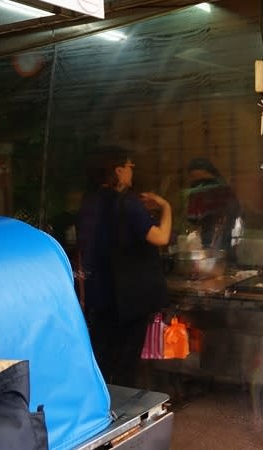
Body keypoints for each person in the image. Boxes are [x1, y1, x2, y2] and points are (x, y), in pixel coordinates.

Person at [77, 146, 172, 387]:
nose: (132, 172)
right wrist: (165, 207)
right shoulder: (128, 204)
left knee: (102, 358)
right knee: (127, 362)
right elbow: (161, 237)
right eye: (130, 167)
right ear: (118, 170)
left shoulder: (88, 202)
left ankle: (103, 407)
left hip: (99, 294)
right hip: (129, 298)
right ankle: (123, 413)